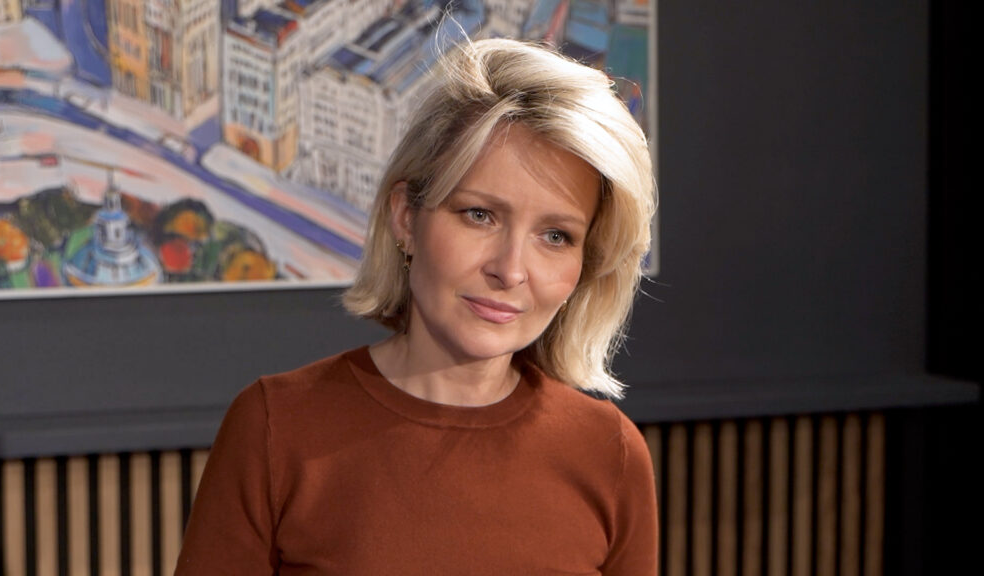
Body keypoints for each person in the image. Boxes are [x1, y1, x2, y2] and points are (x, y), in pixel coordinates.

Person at [176, 37, 658, 575]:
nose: (510, 269)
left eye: (555, 236)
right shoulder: (275, 427)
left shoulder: (610, 454)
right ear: (406, 217)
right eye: (480, 215)